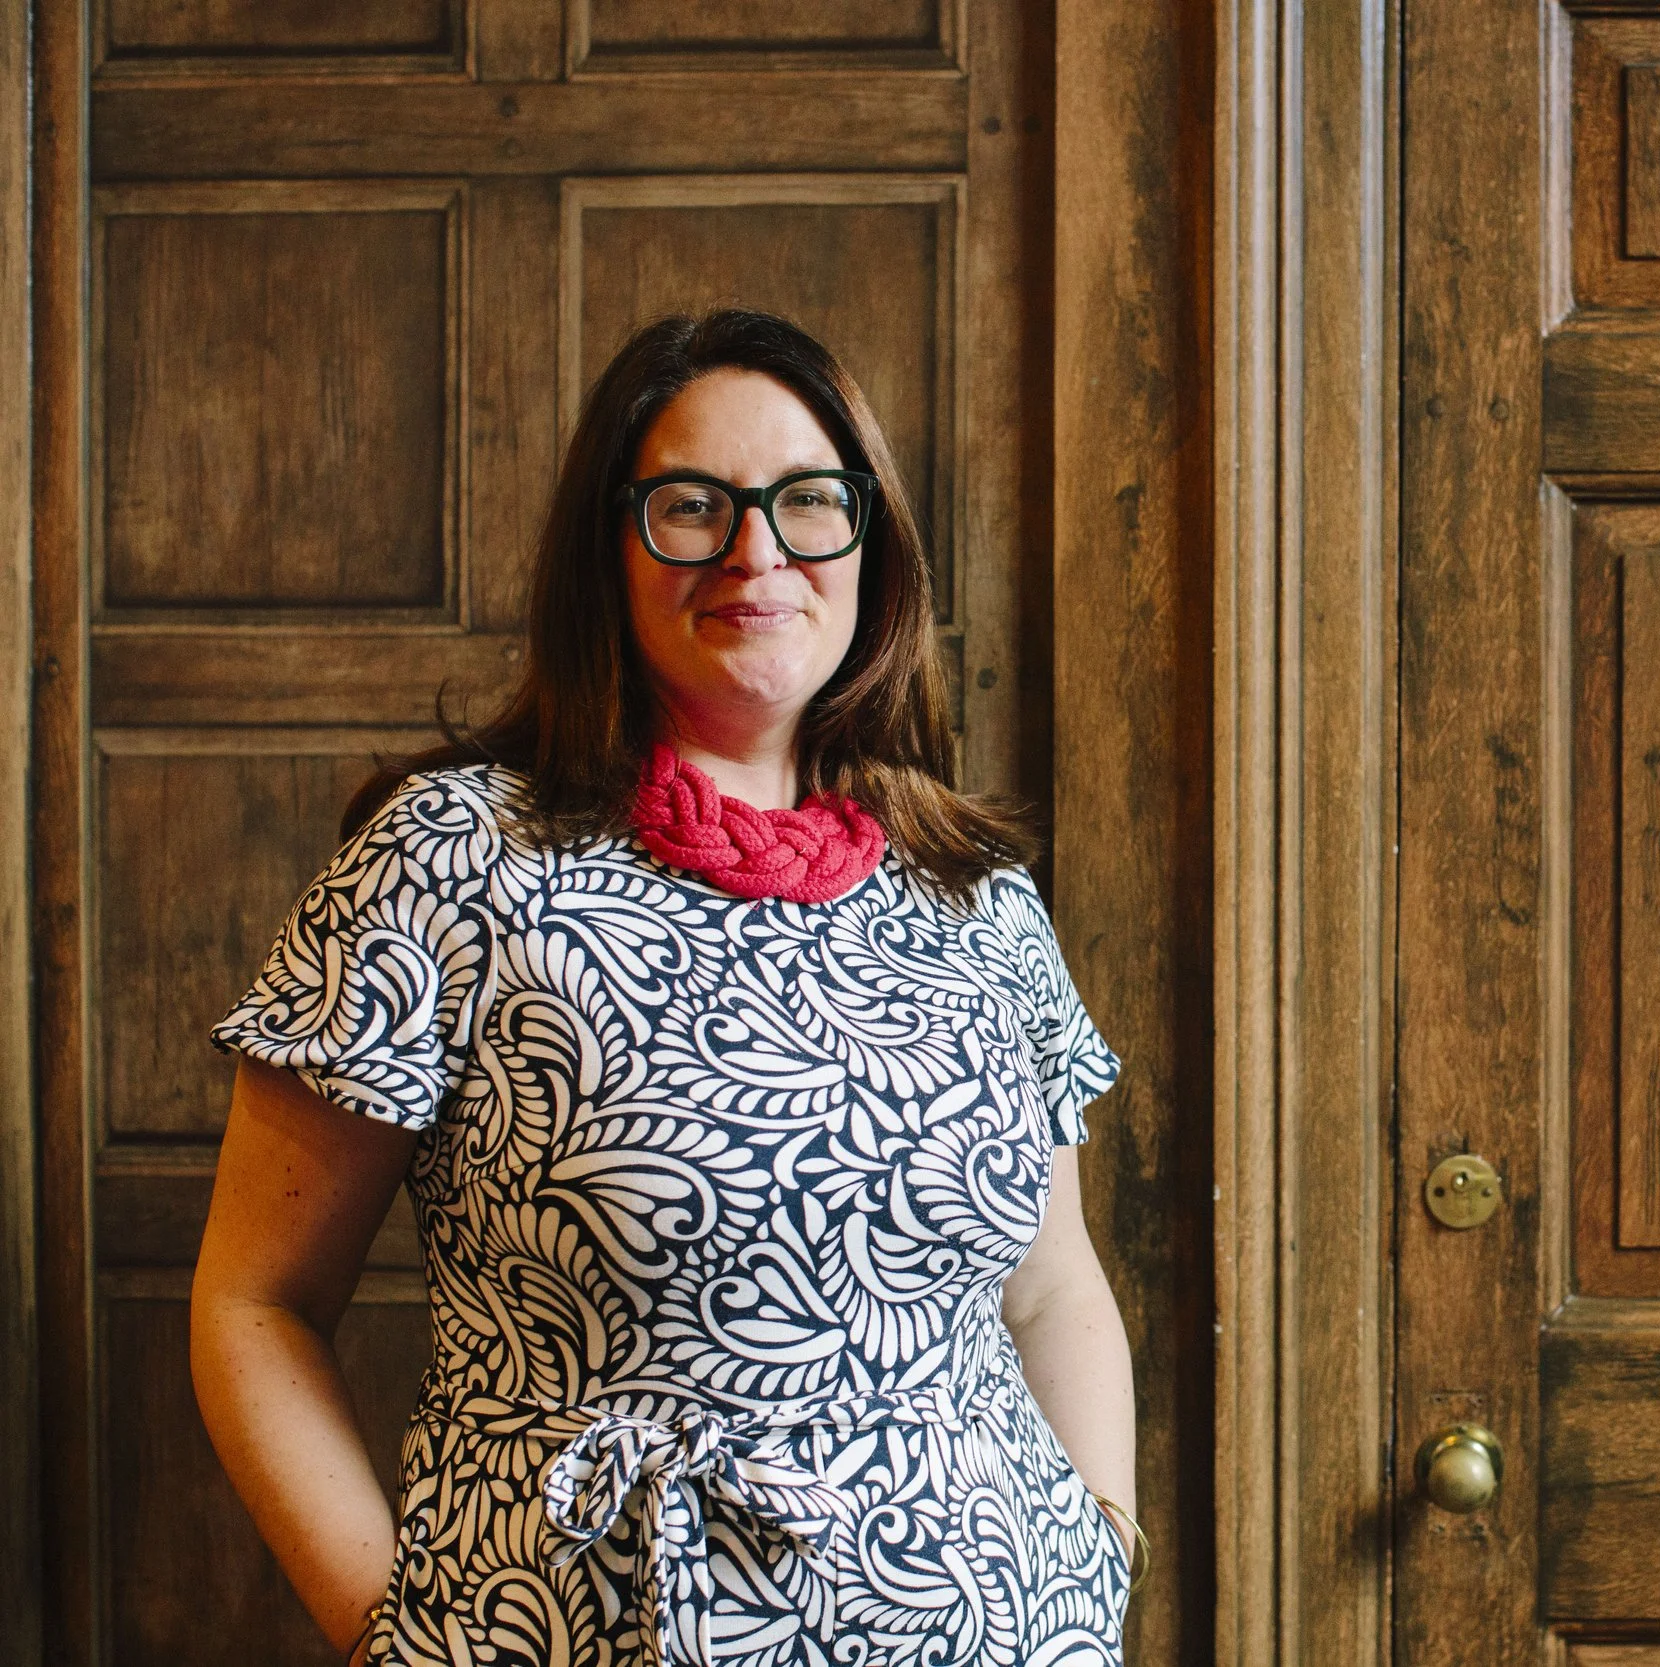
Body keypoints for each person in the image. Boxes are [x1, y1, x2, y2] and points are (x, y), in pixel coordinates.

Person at [189, 308, 1139, 1665]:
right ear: (608, 547)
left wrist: (1097, 1554)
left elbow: (1053, 1288)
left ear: (872, 540)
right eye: (690, 507)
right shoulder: (454, 859)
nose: (757, 552)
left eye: (809, 502)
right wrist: (401, 1634)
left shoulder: (972, 888)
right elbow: (255, 1303)